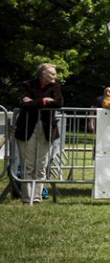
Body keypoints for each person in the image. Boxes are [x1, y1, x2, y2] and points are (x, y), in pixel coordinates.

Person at [15, 63, 63, 205]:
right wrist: (43, 101)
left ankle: (36, 198)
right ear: (44, 74)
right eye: (53, 74)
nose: (55, 76)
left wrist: (35, 103)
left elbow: (58, 103)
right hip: (27, 129)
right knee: (27, 165)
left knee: (41, 165)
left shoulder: (55, 87)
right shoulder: (28, 85)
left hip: (47, 130)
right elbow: (24, 105)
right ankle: (26, 198)